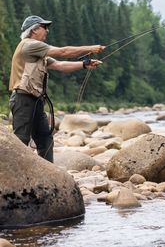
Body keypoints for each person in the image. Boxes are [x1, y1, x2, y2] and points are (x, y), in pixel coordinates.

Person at [9, 15, 105, 163]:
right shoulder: (29, 45)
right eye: (44, 27)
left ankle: (47, 174)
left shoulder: (38, 52)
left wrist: (84, 64)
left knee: (45, 139)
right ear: (34, 30)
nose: (47, 30)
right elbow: (63, 52)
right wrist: (90, 48)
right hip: (23, 99)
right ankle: (12, 180)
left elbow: (60, 65)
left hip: (35, 101)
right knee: (21, 141)